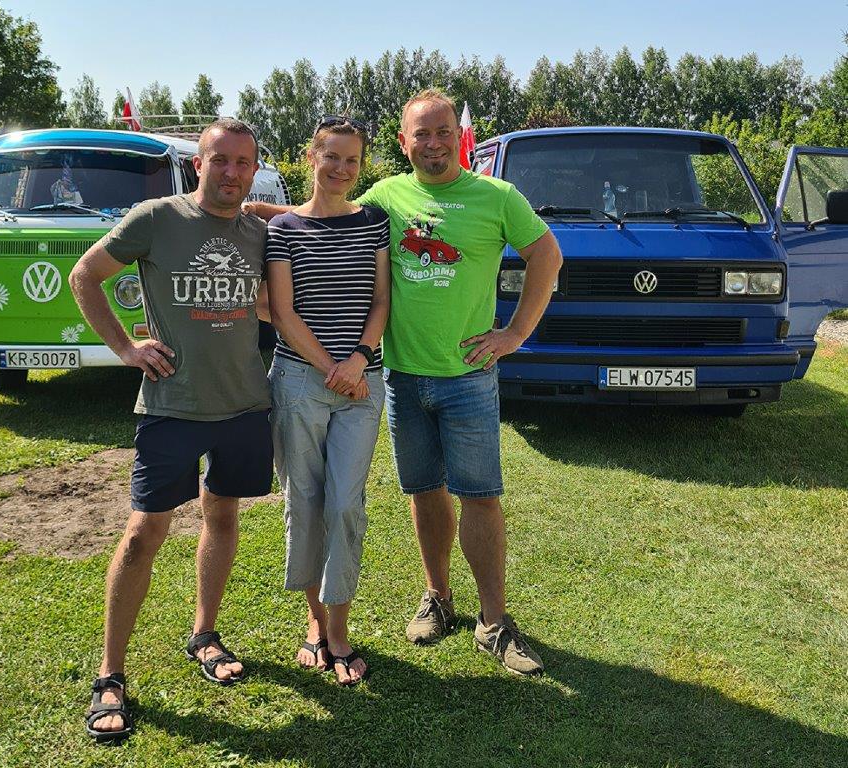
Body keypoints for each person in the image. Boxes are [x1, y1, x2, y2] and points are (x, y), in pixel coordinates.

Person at [248, 89, 563, 676]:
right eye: (422, 133)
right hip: (401, 377)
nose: (434, 143)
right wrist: (259, 212)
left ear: (459, 137)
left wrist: (515, 333)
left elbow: (547, 256)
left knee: (481, 495)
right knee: (423, 491)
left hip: (468, 376)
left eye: (444, 132)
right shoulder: (386, 198)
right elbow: (326, 208)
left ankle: (494, 621)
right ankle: (437, 597)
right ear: (403, 142)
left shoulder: (497, 196)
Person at [70, 118, 273, 742]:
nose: (232, 172)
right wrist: (125, 348)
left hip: (244, 405)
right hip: (171, 405)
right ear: (198, 164)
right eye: (220, 160)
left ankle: (204, 634)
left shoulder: (258, 231)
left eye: (243, 162)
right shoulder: (157, 217)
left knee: (223, 516)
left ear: (254, 169)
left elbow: (304, 225)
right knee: (142, 533)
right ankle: (110, 674)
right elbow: (84, 276)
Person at [260, 115, 390, 685]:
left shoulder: (374, 222)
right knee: (305, 502)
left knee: (344, 505)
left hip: (362, 384)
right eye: (331, 156)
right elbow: (283, 312)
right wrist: (330, 367)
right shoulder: (283, 229)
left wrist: (357, 360)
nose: (341, 168)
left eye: (352, 160)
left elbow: (382, 300)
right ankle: (316, 623)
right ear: (311, 157)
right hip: (300, 381)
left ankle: (339, 628)